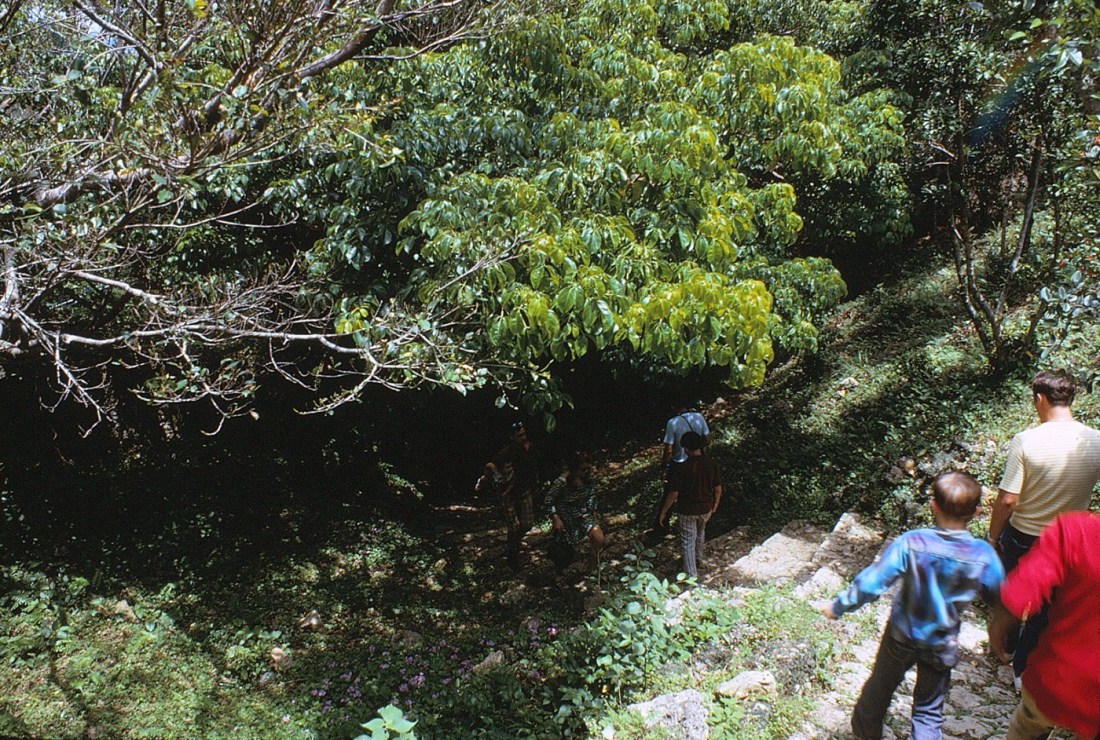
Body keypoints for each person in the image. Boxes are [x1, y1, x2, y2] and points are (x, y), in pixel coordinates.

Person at [822, 472, 1004, 739]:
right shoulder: (982, 555)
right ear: (977, 512)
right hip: (942, 643)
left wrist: (839, 606)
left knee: (877, 693)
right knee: (928, 711)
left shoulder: (912, 541)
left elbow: (873, 583)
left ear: (933, 506)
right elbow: (1000, 594)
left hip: (900, 637)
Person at [986, 369, 1100, 681]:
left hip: (1024, 536)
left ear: (1039, 399)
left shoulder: (1026, 440)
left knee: (1011, 595)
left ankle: (1003, 651)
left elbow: (1008, 499)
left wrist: (992, 536)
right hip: (1067, 542)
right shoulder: (1096, 441)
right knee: (1045, 610)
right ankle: (1023, 671)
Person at [988, 511, 1100, 740]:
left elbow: (1024, 586)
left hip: (1057, 678)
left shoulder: (1077, 531)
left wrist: (1001, 620)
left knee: (1027, 727)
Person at [657, 431, 721, 578]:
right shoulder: (711, 463)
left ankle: (691, 575)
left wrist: (664, 512)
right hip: (706, 508)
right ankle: (699, 559)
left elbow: (673, 493)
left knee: (688, 541)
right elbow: (717, 488)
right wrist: (715, 503)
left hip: (687, 510)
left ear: (686, 448)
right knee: (700, 533)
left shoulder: (682, 467)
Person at [654, 401, 710, 536]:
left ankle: (661, 526)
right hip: (698, 460)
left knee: (670, 493)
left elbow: (668, 449)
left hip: (679, 462)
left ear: (673, 406)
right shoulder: (699, 417)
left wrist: (664, 466)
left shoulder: (672, 422)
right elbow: (708, 439)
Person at [548, 451, 605, 570]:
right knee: (563, 552)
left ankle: (593, 569)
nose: (585, 472)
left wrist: (593, 512)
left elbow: (591, 496)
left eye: (586, 469)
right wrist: (555, 518)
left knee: (598, 536)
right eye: (582, 469)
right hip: (566, 517)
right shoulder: (561, 482)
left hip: (583, 514)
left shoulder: (587, 479)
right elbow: (548, 500)